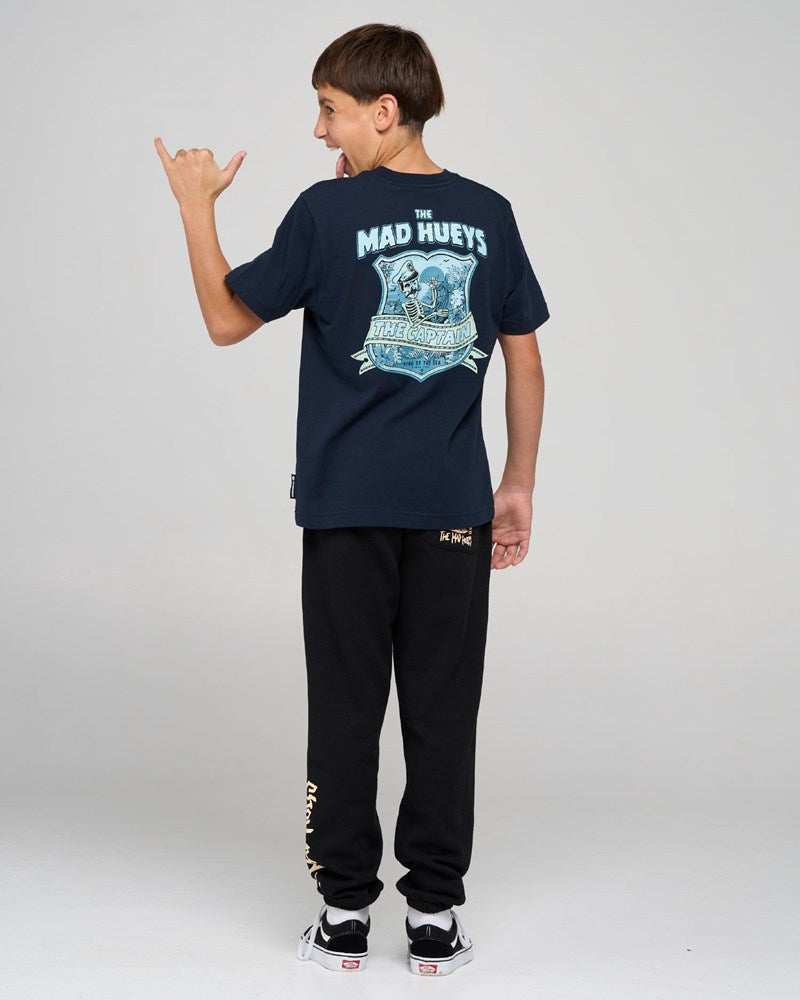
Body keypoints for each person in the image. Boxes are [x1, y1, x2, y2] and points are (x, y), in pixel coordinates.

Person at [154, 21, 550, 978]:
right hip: (453, 505)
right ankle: (434, 920)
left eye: (329, 110)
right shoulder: (489, 213)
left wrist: (195, 207)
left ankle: (342, 918)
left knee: (345, 706)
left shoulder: (326, 215)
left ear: (384, 110)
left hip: (345, 510)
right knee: (443, 708)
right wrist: (517, 483)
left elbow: (224, 320)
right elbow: (526, 362)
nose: (319, 130)